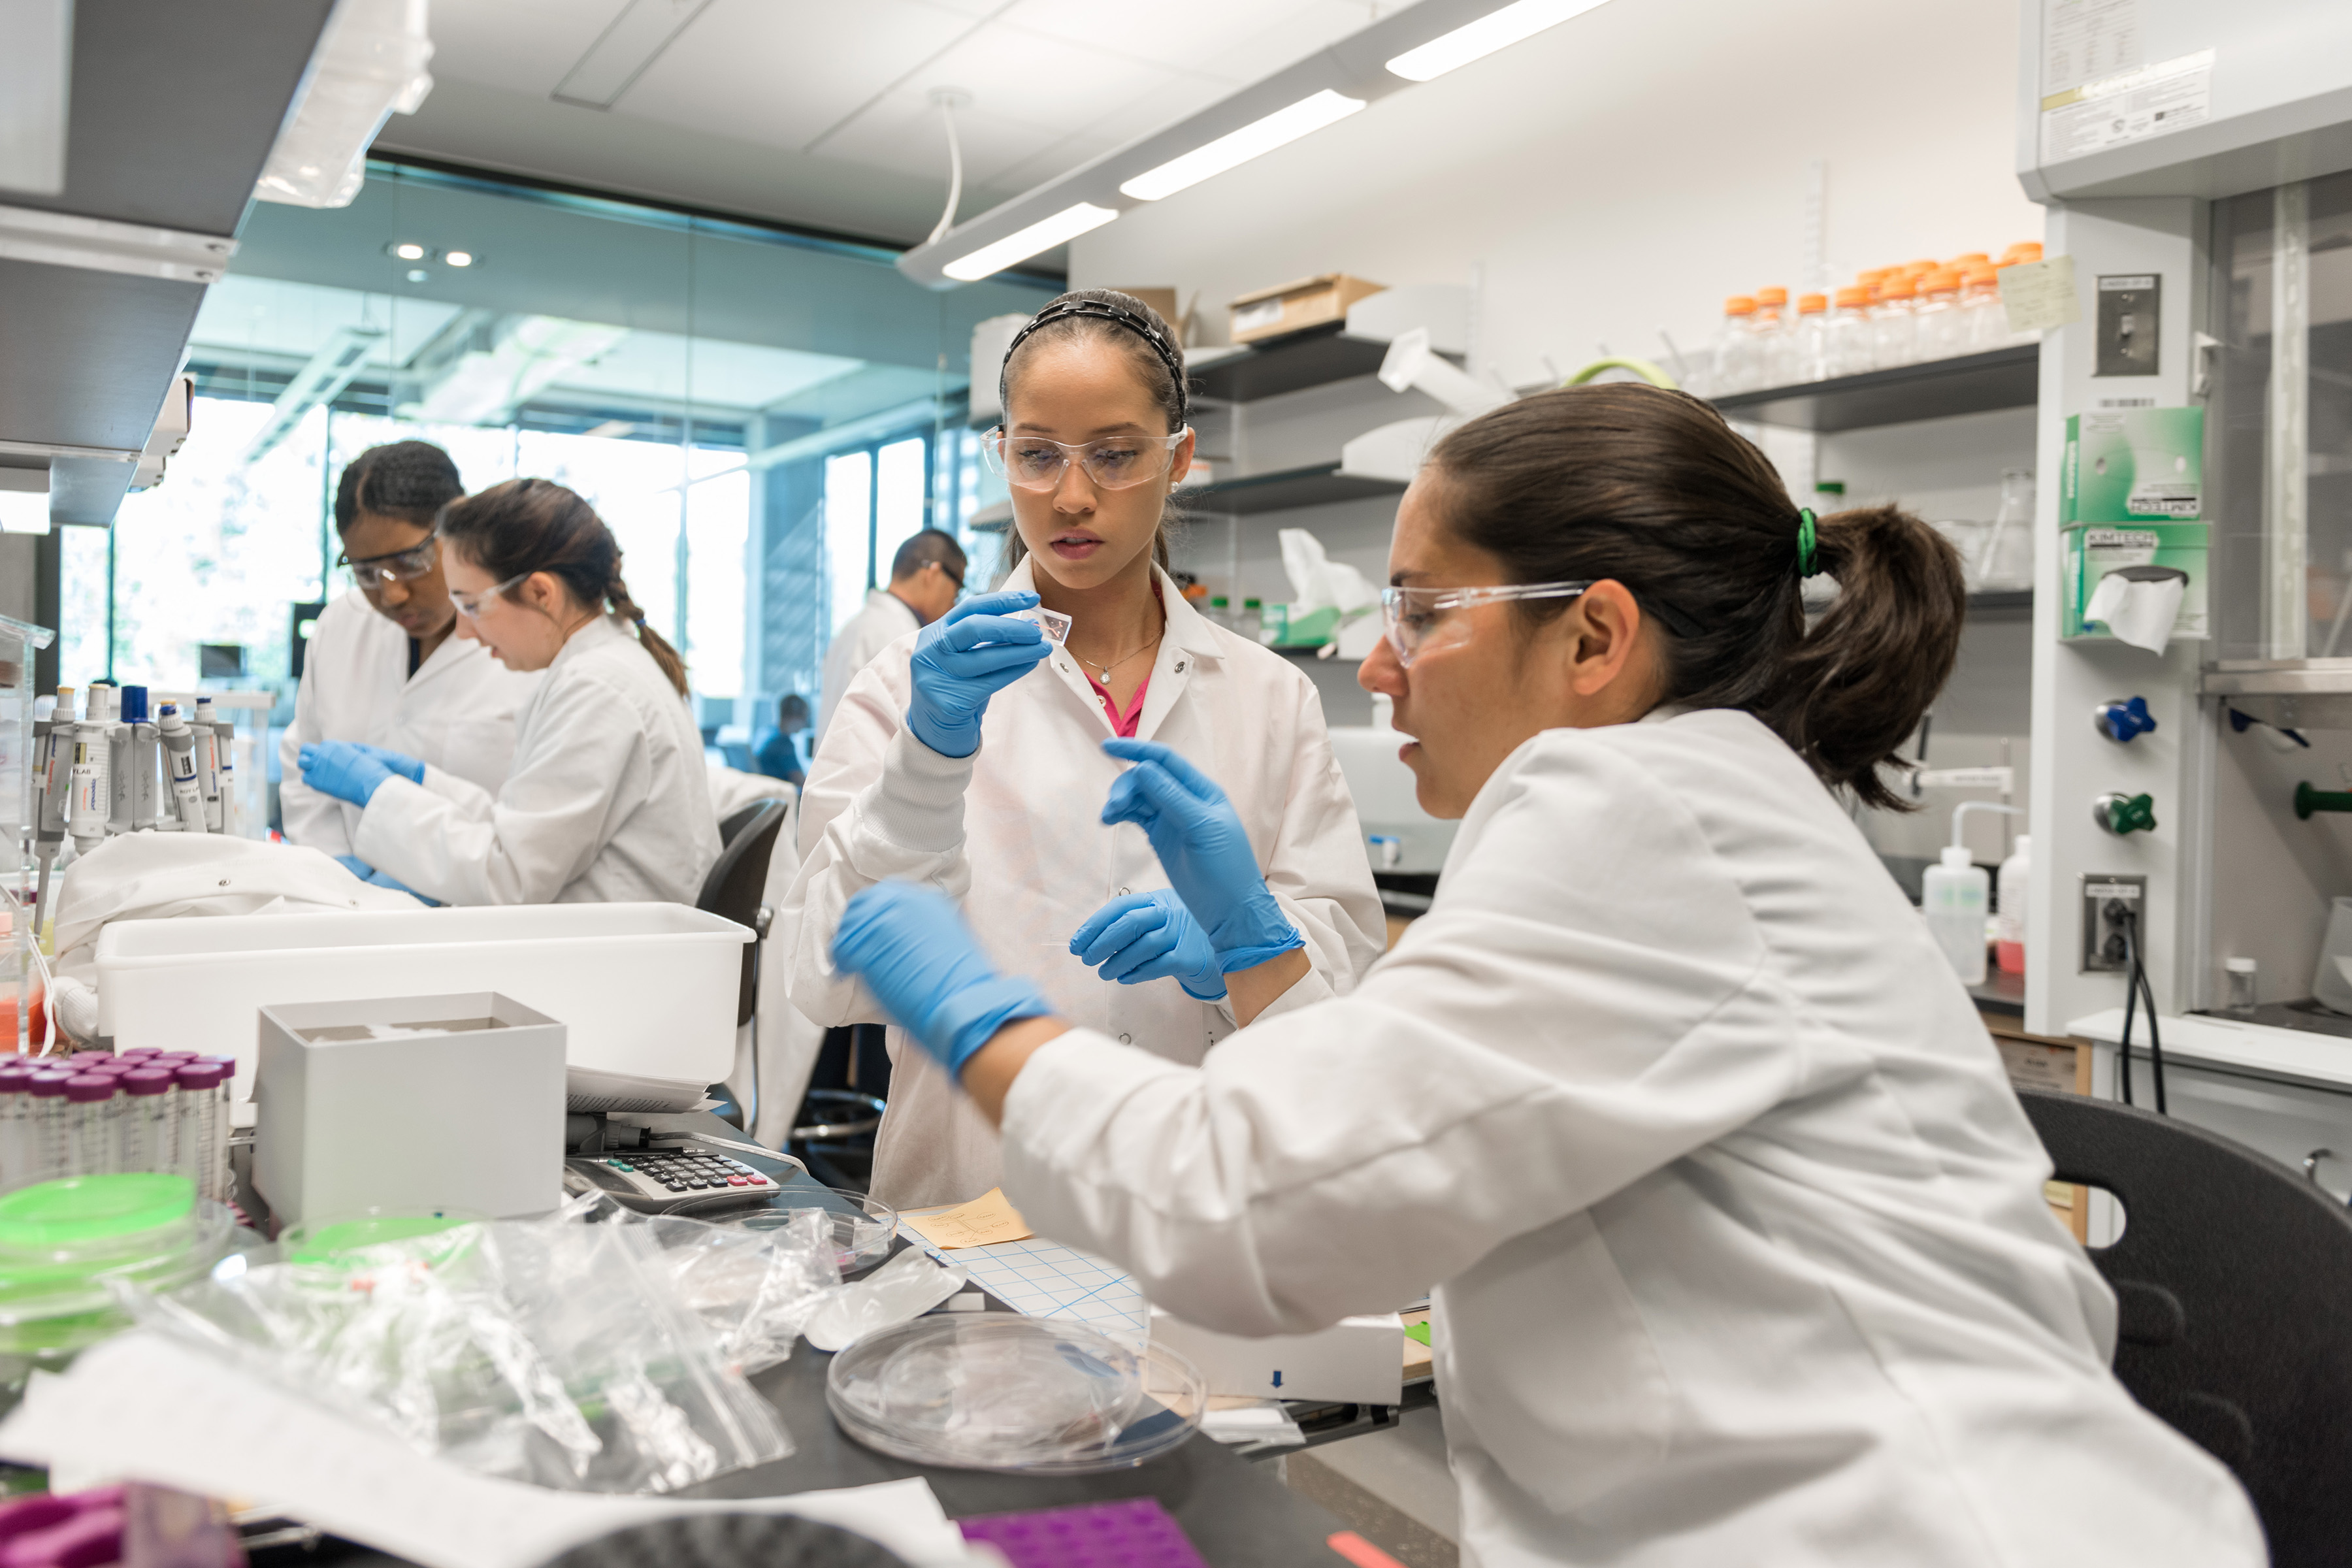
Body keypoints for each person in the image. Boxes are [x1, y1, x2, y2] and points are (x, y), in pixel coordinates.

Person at [825, 385, 2265, 1566]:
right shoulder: (1685, 800)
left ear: (1593, 636)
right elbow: (1416, 1123)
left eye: (1422, 613)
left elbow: (1253, 1205)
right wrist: (1266, 954)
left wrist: (980, 1016)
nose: (1377, 670)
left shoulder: (1638, 812)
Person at [781, 289, 1384, 1210]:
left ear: (1178, 458)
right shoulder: (906, 686)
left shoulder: (1270, 696)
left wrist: (1236, 944)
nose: (1071, 495)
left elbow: (1345, 989)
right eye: (1036, 455)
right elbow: (822, 977)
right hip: (969, 1206)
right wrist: (925, 765)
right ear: (1004, 457)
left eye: (1114, 454)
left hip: (1203, 1213)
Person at [296, 478, 721, 907]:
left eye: (472, 606)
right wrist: (427, 784)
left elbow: (508, 878)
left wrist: (381, 794)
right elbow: (524, 832)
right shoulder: (598, 667)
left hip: (608, 961)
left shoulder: (596, 689)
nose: (464, 631)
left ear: (540, 592)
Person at [280, 442, 540, 882]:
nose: (393, 593)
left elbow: (533, 824)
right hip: (346, 903)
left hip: (474, 908)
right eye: (366, 572)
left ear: (456, 530)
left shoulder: (526, 644)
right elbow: (303, 759)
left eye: (410, 562)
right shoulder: (342, 624)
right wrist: (336, 872)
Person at [814, 530, 965, 746]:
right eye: (957, 589)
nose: (954, 603)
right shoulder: (904, 637)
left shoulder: (853, 627)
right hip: (869, 774)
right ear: (932, 573)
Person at [753, 694, 811, 787]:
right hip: (779, 792)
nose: (805, 724)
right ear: (794, 717)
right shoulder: (783, 743)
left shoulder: (764, 732)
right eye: (805, 717)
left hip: (764, 788)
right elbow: (801, 782)